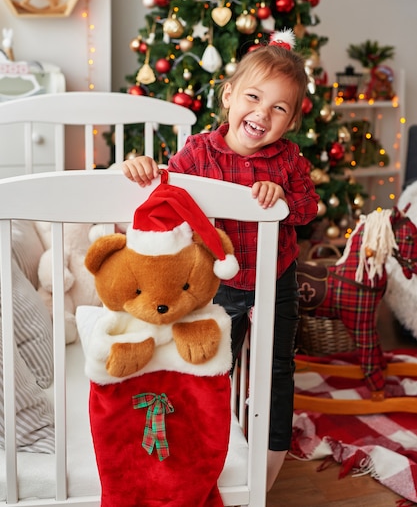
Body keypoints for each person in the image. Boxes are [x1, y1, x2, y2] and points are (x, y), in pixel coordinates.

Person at [122, 29, 319, 492]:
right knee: (214, 362)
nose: (262, 114)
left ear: (290, 122)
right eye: (253, 97)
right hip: (219, 280)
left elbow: (308, 209)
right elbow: (169, 192)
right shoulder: (199, 152)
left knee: (276, 366)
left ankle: (270, 457)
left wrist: (283, 196)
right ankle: (204, 443)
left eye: (279, 108)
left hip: (277, 277)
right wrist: (144, 170)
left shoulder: (288, 159)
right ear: (228, 94)